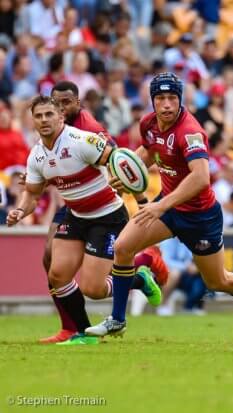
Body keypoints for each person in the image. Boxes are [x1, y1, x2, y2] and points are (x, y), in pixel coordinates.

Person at [85, 73, 233, 340]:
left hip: (200, 216)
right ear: (152, 101)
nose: (167, 104)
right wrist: (127, 173)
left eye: (172, 98)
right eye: (160, 98)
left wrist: (161, 206)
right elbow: (148, 152)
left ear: (180, 100)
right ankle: (117, 320)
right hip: (169, 207)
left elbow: (201, 177)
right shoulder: (148, 123)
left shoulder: (190, 131)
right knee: (123, 248)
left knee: (219, 281)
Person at [6, 96, 161, 345]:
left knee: (94, 289)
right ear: (31, 120)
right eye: (39, 116)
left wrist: (141, 199)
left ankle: (138, 278)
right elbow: (32, 194)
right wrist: (20, 210)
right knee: (57, 274)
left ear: (61, 117)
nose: (44, 120)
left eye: (49, 114)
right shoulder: (36, 155)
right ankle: (84, 333)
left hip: (108, 217)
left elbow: (120, 161)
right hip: (76, 216)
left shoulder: (81, 141)